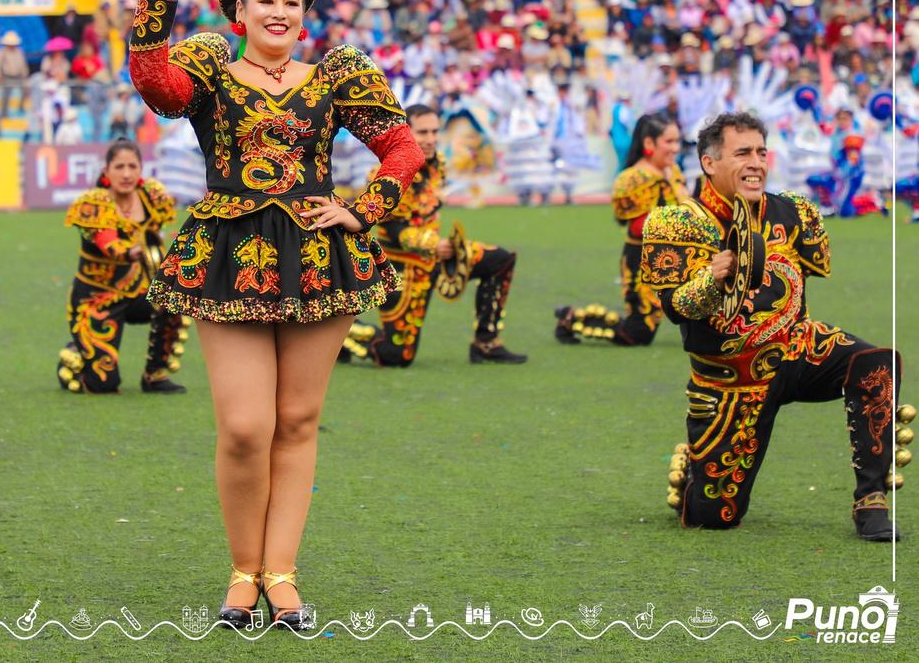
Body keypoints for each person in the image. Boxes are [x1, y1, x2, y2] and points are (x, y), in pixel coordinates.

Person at [128, 0, 424, 629]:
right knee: (243, 426)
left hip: (319, 257)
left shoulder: (337, 75)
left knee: (295, 421)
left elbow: (402, 147)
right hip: (226, 256)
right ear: (239, 10)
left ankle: (281, 575)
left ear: (305, 13)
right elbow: (157, 87)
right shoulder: (208, 66)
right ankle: (242, 572)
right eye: (265, 0)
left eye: (292, 1)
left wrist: (362, 210)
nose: (280, 12)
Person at [640, 112, 903, 541]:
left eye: (761, 152)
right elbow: (675, 308)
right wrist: (712, 278)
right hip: (731, 381)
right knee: (713, 517)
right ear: (709, 162)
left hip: (799, 348)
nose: (756, 163)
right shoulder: (677, 222)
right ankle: (695, 465)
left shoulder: (793, 211)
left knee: (876, 364)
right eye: (743, 153)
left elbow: (811, 269)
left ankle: (870, 500)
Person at [341, 104, 527, 366]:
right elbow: (391, 229)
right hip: (402, 267)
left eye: (434, 132)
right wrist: (431, 244)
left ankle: (486, 343)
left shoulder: (437, 162)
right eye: (423, 132)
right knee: (397, 356)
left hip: (436, 256)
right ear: (405, 133)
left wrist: (441, 246)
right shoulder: (389, 171)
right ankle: (345, 334)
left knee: (500, 260)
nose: (430, 139)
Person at [57, 140, 188, 395]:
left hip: (137, 293)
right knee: (103, 385)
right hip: (97, 301)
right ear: (106, 171)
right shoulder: (94, 203)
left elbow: (154, 238)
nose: (126, 174)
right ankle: (73, 356)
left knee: (172, 301)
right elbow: (107, 241)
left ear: (141, 169)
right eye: (119, 167)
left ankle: (155, 375)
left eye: (132, 166)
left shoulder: (151, 196)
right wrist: (129, 252)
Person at [555, 113, 689, 345]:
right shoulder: (631, 179)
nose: (675, 148)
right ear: (649, 143)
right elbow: (637, 227)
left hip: (680, 257)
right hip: (643, 261)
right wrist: (683, 223)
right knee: (638, 333)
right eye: (669, 142)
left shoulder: (674, 171)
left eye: (677, 141)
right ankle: (571, 318)